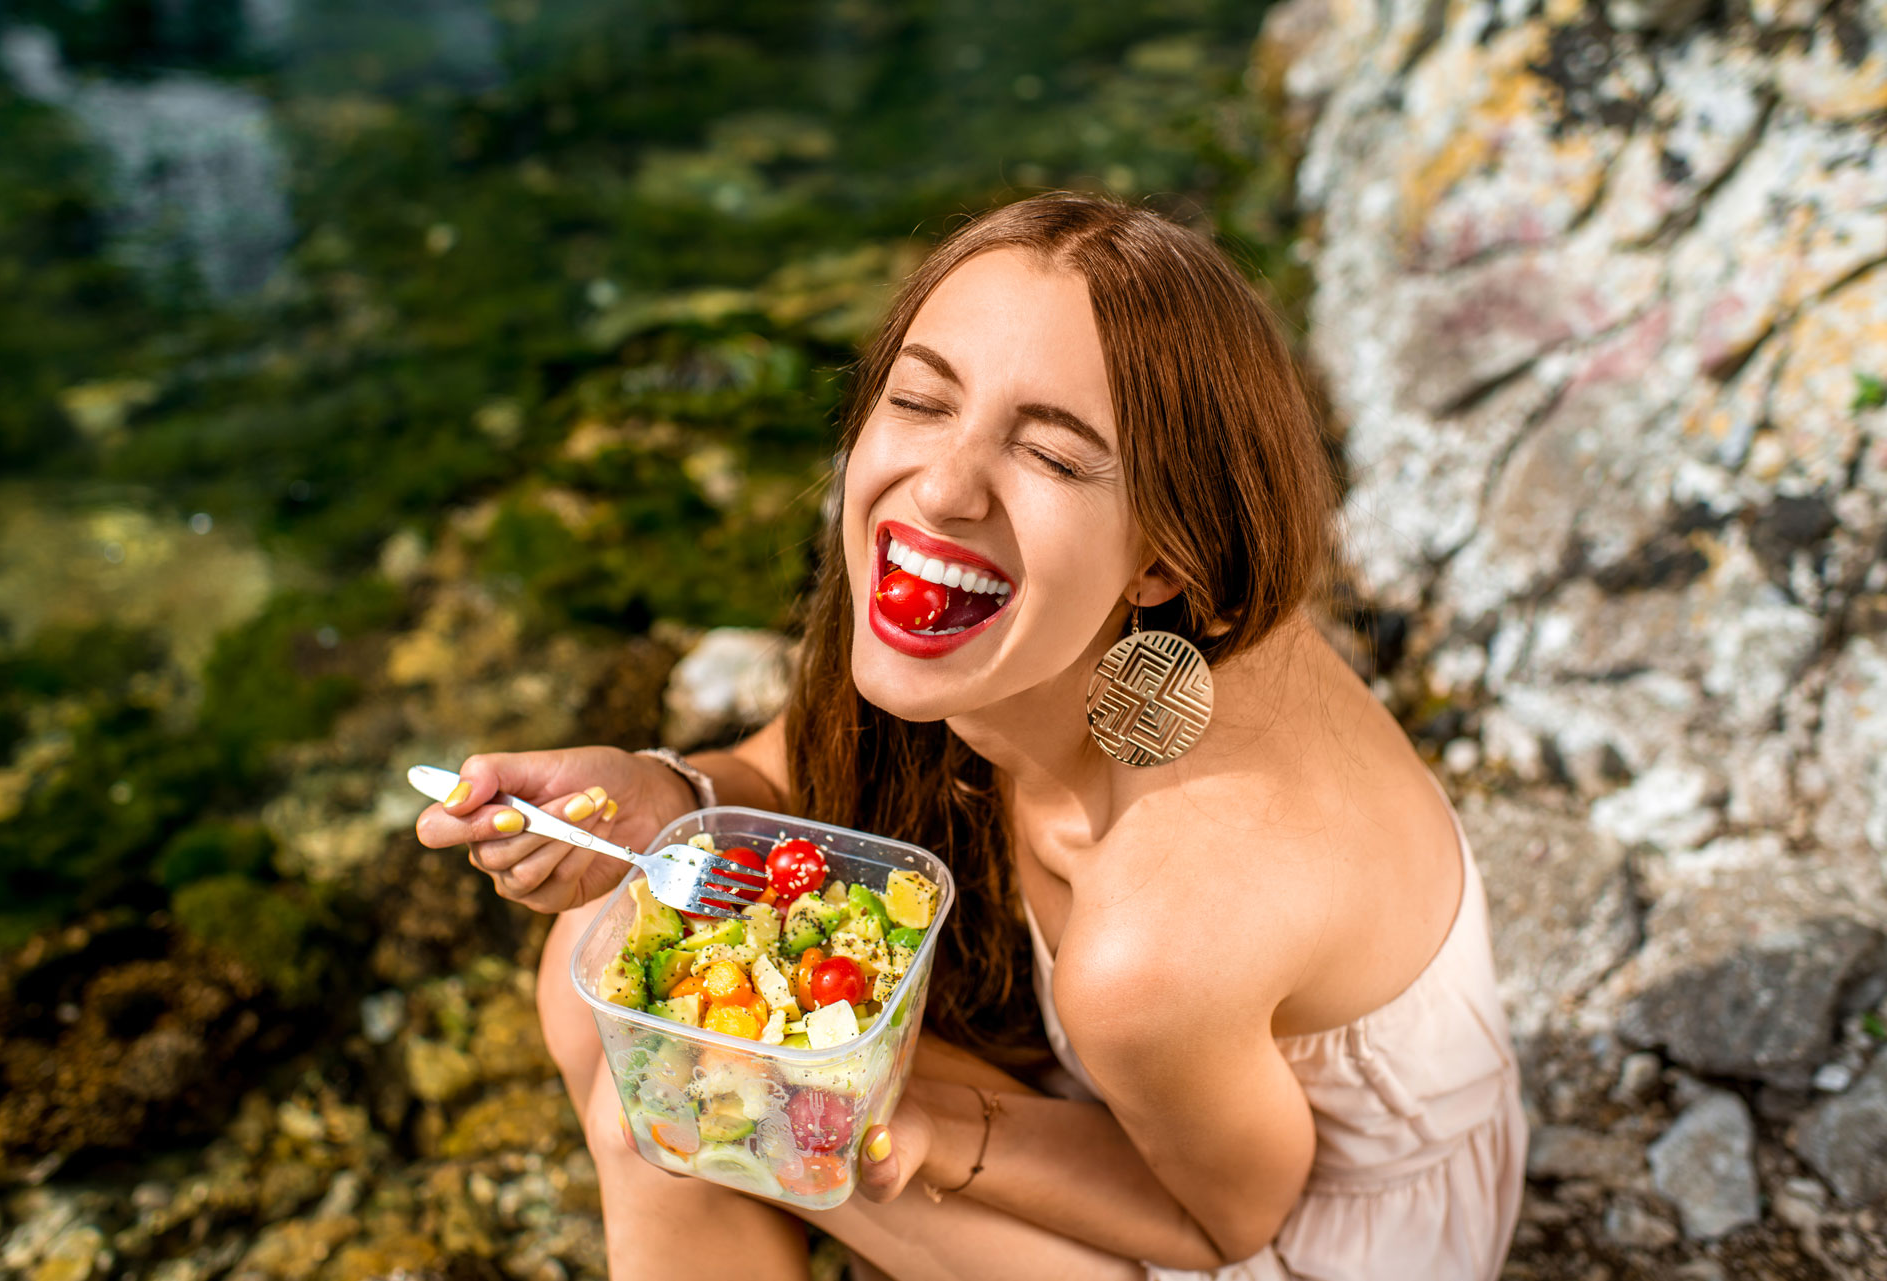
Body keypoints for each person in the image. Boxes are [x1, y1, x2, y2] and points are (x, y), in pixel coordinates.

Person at [416, 192, 1527, 1280]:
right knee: (608, 967)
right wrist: (670, 796)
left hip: (1300, 1238)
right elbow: (789, 768)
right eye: (921, 401)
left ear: (1163, 559)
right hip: (1167, 1110)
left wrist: (933, 1127)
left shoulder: (1165, 924)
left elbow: (1225, 1222)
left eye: (1049, 456)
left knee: (673, 1093)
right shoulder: (1101, 642)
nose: (942, 487)